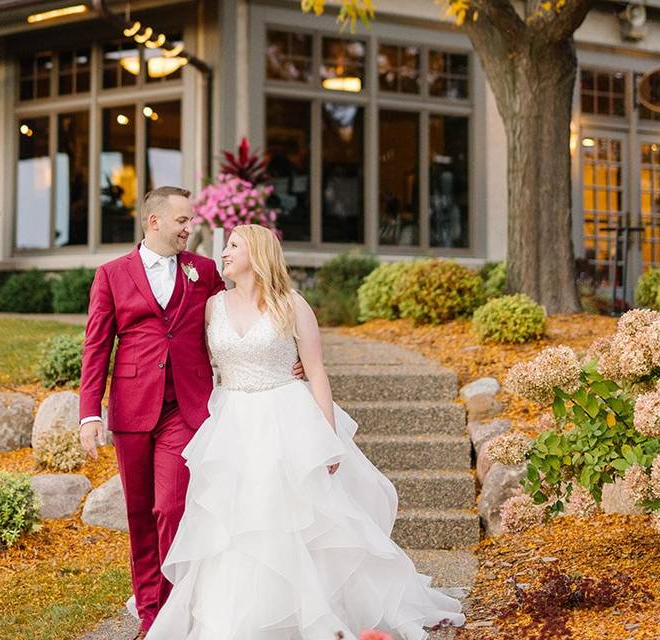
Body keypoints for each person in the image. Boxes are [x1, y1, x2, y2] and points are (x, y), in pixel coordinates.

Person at [144, 224, 466, 640]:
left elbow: (316, 372)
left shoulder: (291, 305)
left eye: (233, 246)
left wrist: (328, 439)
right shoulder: (212, 307)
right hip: (232, 422)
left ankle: (311, 611)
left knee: (297, 519)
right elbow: (197, 365)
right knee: (234, 523)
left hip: (286, 417)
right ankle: (237, 617)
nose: (224, 253)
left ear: (256, 255)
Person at [77, 188, 300, 639]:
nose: (189, 228)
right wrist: (89, 413)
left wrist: (285, 355)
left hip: (186, 407)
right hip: (132, 409)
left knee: (171, 505)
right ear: (154, 221)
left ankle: (181, 607)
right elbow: (97, 347)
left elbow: (250, 309)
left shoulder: (204, 272)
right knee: (140, 513)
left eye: (190, 220)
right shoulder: (112, 275)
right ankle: (152, 614)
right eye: (181, 220)